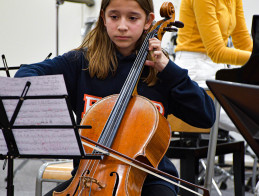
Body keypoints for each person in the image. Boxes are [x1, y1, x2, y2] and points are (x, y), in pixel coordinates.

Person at [14, 0, 215, 195]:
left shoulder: (161, 72)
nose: (122, 26)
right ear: (103, 18)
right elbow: (28, 74)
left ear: (148, 21)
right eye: (114, 16)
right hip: (87, 177)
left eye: (132, 18)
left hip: (150, 180)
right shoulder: (82, 63)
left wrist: (170, 71)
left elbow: (206, 115)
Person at [174, 0, 253, 89]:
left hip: (218, 66)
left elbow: (242, 39)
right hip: (195, 68)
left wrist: (256, 57)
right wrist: (255, 60)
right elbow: (216, 52)